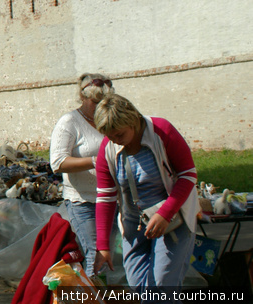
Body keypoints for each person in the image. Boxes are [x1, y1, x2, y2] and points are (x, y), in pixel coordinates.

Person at [93, 94, 199, 287]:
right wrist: (103, 246)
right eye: (109, 136)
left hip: (172, 220)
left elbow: (188, 174)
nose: (115, 141)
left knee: (161, 287)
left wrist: (165, 214)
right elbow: (106, 197)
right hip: (134, 223)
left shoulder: (161, 130)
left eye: (119, 135)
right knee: (138, 286)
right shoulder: (108, 148)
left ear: (133, 121)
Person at [49, 73, 114, 276]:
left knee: (113, 255)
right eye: (95, 101)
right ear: (82, 96)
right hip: (83, 201)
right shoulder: (69, 122)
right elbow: (58, 163)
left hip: (111, 199)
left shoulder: (108, 119)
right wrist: (95, 161)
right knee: (95, 255)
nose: (98, 106)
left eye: (103, 101)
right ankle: (90, 296)